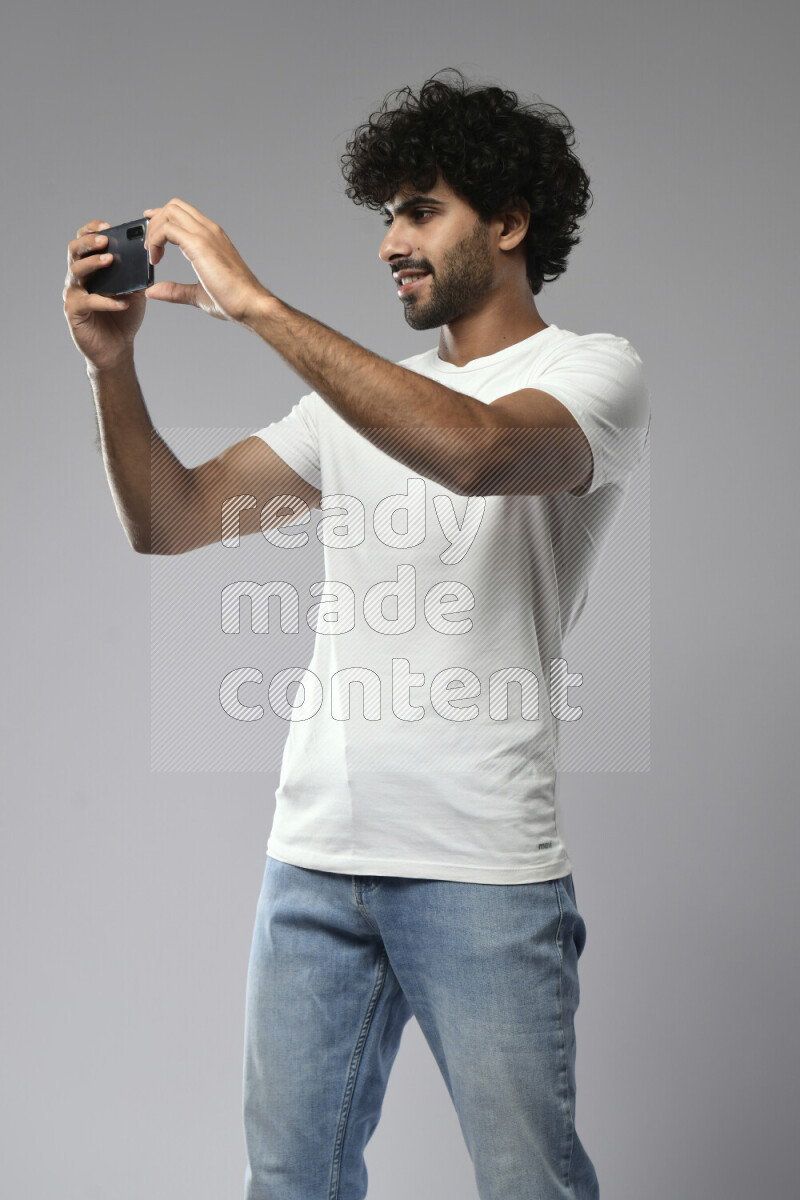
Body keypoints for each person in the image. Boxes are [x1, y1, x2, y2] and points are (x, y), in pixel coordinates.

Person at [64, 70, 649, 1200]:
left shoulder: (593, 374)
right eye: (387, 215)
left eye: (420, 211)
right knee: (289, 1182)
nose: (389, 244)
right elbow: (170, 518)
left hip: (480, 867)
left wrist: (257, 307)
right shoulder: (352, 402)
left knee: (528, 1184)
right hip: (314, 862)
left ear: (510, 222)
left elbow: (474, 453)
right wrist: (113, 367)